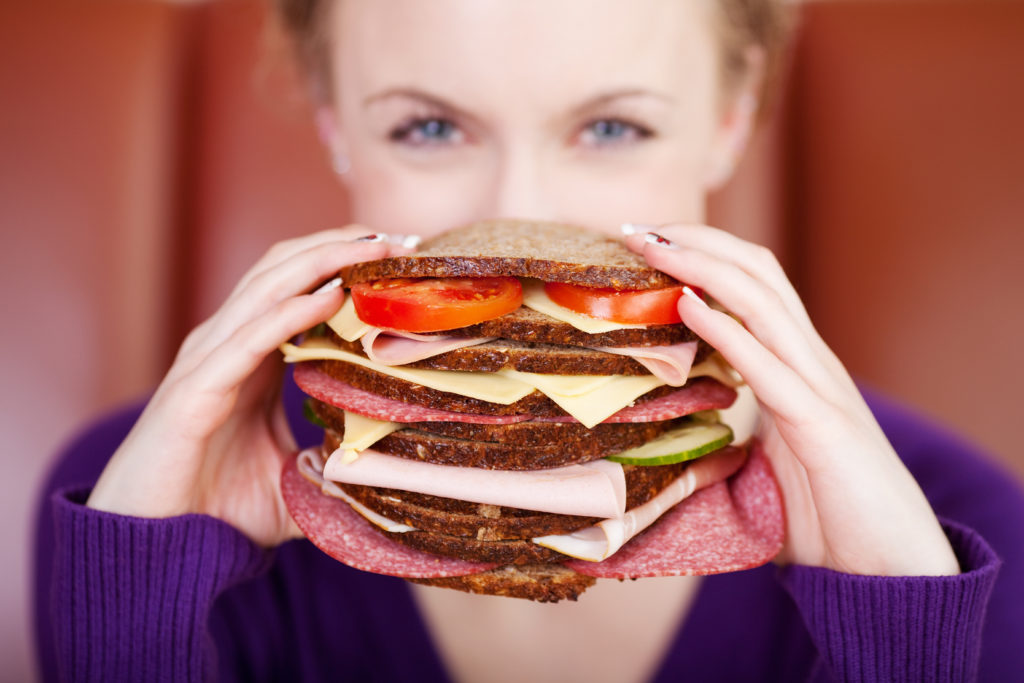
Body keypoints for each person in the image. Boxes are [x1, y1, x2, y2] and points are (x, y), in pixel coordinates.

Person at [32, 0, 1024, 681]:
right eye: (427, 127)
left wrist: (902, 628)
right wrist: (141, 598)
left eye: (610, 129)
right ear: (335, 124)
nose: (521, 224)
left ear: (730, 115)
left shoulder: (960, 535)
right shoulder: (143, 506)